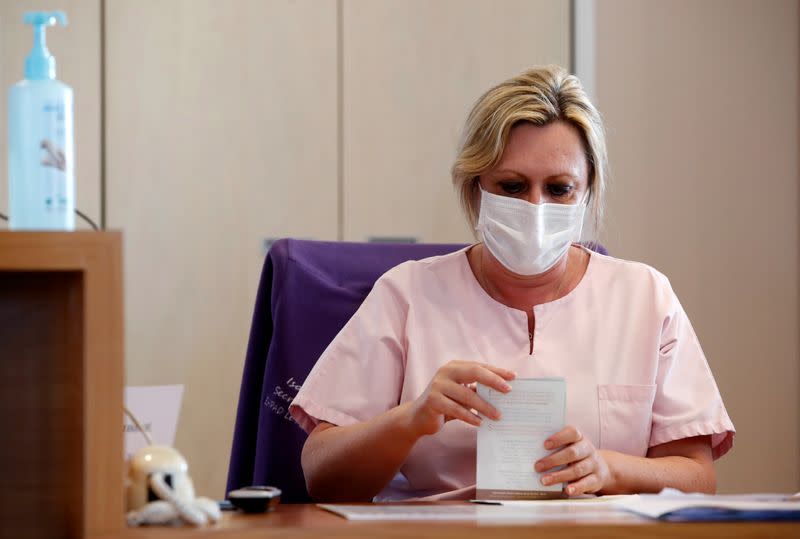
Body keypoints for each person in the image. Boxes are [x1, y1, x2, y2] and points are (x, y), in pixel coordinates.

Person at [289, 65, 734, 502]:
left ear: (587, 192)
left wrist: (609, 468)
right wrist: (410, 420)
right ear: (475, 186)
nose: (536, 208)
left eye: (559, 189)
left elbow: (697, 475)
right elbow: (321, 476)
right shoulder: (407, 295)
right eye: (513, 186)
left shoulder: (645, 298)